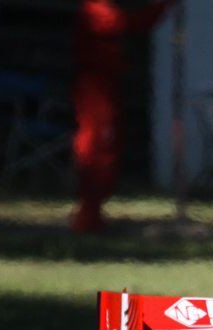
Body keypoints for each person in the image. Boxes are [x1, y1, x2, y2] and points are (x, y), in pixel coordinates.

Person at [71, 0, 177, 232]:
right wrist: (162, 7)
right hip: (96, 85)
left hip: (108, 83)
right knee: (96, 147)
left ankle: (94, 212)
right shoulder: (95, 9)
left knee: (109, 146)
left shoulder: (103, 8)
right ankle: (88, 213)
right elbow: (128, 24)